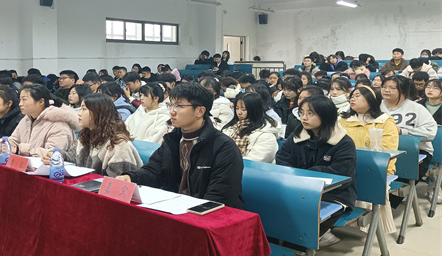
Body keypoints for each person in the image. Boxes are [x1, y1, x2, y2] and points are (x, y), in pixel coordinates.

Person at [116, 83, 244, 209]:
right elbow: (154, 171)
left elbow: (220, 197)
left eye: (178, 106)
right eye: (170, 105)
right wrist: (130, 177)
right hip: (176, 208)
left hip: (207, 214)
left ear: (200, 111)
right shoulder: (173, 139)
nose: (171, 111)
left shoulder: (223, 147)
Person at [276, 96, 357, 244]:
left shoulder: (343, 142)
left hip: (333, 193)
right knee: (270, 206)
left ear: (325, 115)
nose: (304, 117)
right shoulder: (297, 136)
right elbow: (282, 160)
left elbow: (340, 174)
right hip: (296, 188)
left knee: (301, 219)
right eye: (301, 112)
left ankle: (300, 248)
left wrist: (303, 175)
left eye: (310, 113)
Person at [339, 85, 399, 232]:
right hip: (348, 168)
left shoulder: (385, 121)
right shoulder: (344, 121)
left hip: (377, 169)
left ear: (371, 100)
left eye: (357, 95)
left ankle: (366, 222)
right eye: (352, 96)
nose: (352, 99)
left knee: (367, 181)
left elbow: (388, 152)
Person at [43, 93, 142, 177]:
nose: (79, 114)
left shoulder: (118, 144)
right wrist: (55, 154)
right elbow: (73, 156)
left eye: (84, 109)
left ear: (99, 112)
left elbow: (118, 183)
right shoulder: (88, 135)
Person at [0, 84, 77, 157]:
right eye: (20, 100)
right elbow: (15, 139)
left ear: (41, 102)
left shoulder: (59, 123)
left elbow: (54, 153)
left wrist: (19, 150)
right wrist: (3, 146)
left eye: (24, 100)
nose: (20, 104)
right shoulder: (27, 119)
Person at [380, 76, 437, 184]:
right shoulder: (376, 107)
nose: (386, 90)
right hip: (383, 151)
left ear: (404, 90)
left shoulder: (417, 108)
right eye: (384, 87)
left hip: (414, 153)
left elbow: (430, 133)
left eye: (392, 88)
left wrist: (402, 132)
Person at [222, 92, 279, 163]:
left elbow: (255, 160)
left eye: (243, 109)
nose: (239, 112)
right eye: (237, 108)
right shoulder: (231, 127)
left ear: (254, 110)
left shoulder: (266, 135)